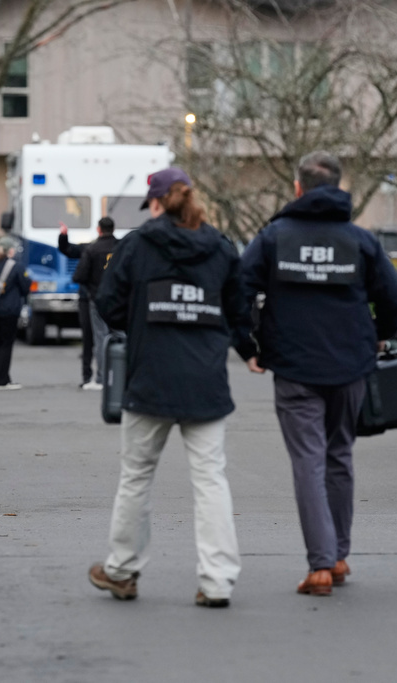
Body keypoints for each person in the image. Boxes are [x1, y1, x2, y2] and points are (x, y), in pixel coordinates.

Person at [234, 151, 397, 596]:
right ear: (339, 186)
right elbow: (393, 292)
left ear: (297, 188)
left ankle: (321, 565)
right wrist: (381, 335)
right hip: (350, 363)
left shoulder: (273, 237)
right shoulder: (360, 240)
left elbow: (238, 290)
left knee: (309, 461)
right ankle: (339, 555)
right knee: (339, 455)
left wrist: (247, 345)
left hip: (293, 366)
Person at [88, 167, 242, 608]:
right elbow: (238, 308)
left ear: (155, 203)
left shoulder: (137, 245)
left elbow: (109, 304)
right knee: (211, 479)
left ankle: (122, 570)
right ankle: (217, 582)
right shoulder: (220, 247)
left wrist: (139, 326)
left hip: (149, 376)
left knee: (136, 477)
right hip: (205, 380)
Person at [72, 216, 119, 390]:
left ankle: (101, 378)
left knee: (100, 338)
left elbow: (79, 276)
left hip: (98, 299)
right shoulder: (121, 247)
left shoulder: (92, 249)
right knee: (120, 337)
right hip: (119, 299)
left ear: (99, 229)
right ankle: (121, 375)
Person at [0, 236, 31, 390]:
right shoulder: (17, 267)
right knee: (6, 344)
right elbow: (25, 288)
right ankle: (2, 381)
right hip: (9, 310)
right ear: (10, 250)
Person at [58, 224, 95, 387]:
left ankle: (87, 376)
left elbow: (66, 250)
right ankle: (107, 376)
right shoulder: (116, 246)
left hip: (87, 299)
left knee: (88, 339)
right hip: (108, 300)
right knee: (106, 339)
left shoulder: (88, 249)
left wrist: (63, 235)